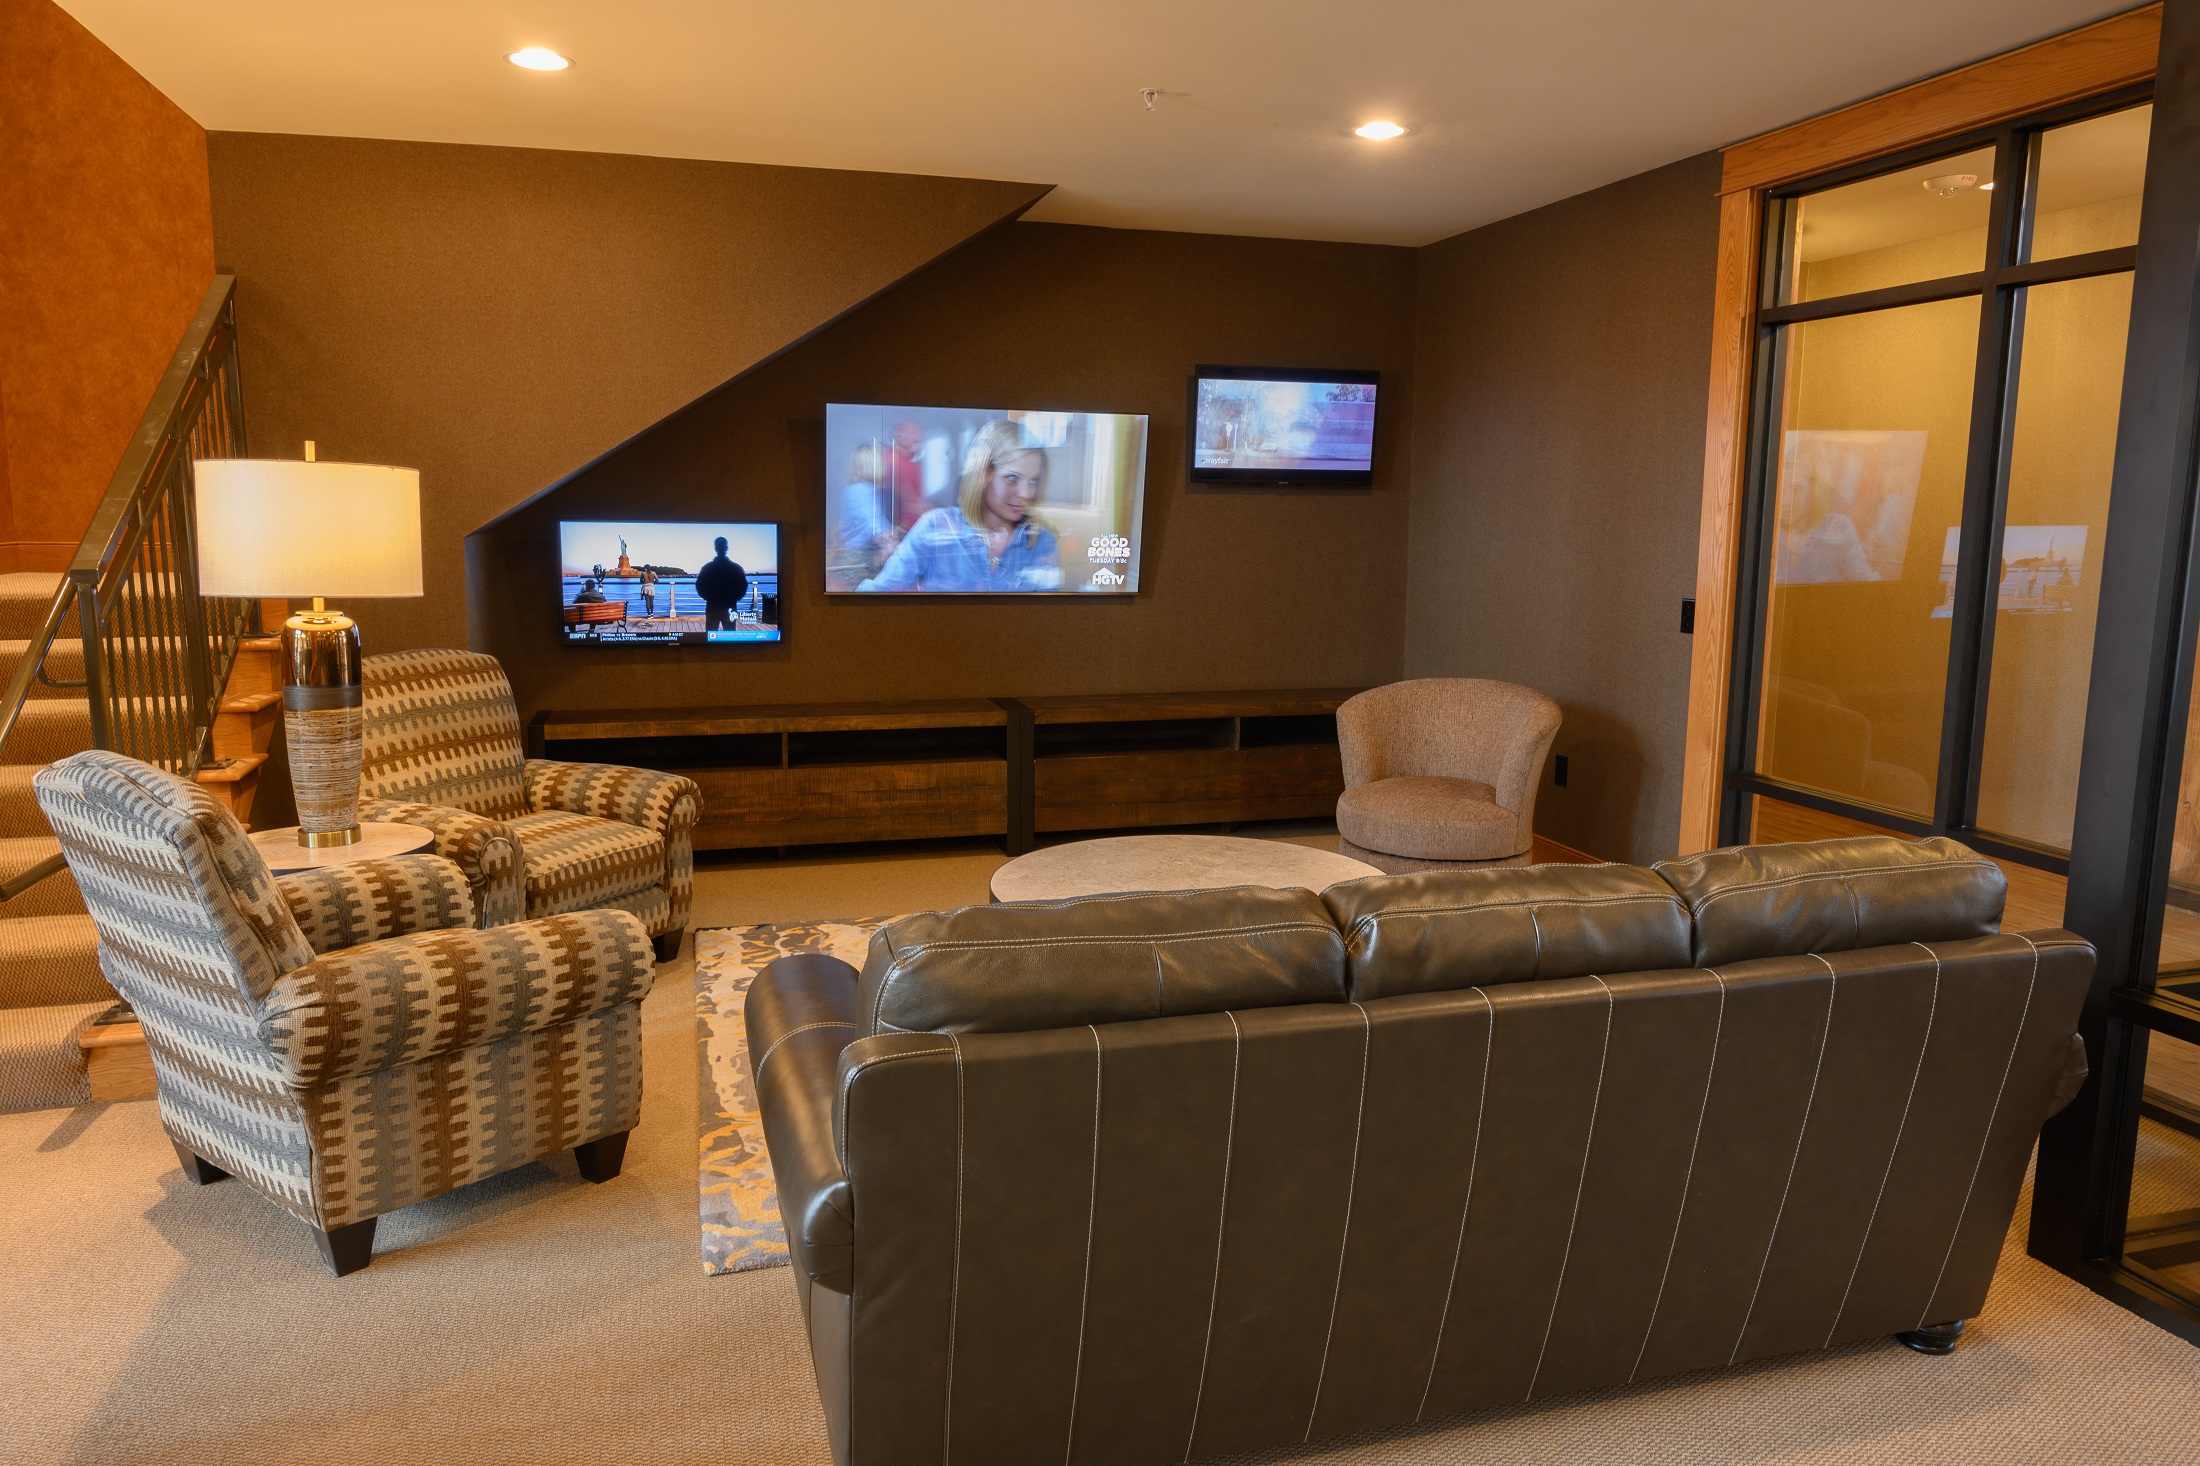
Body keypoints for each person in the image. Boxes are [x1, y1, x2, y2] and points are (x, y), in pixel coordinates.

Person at [860, 420, 1061, 592]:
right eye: (1012, 478)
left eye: (1033, 481)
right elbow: (878, 592)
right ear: (983, 474)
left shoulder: (1042, 541)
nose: (1026, 493)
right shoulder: (935, 527)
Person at [828, 442, 902, 590]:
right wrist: (892, 542)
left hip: (857, 558)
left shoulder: (862, 489)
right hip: (856, 560)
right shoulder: (860, 491)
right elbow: (873, 526)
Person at [695, 536, 749, 630]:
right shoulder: (736, 568)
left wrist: (708, 597)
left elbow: (699, 586)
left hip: (712, 605)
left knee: (711, 634)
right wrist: (734, 598)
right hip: (730, 605)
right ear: (726, 548)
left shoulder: (707, 568)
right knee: (730, 635)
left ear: (715, 548)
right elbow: (743, 586)